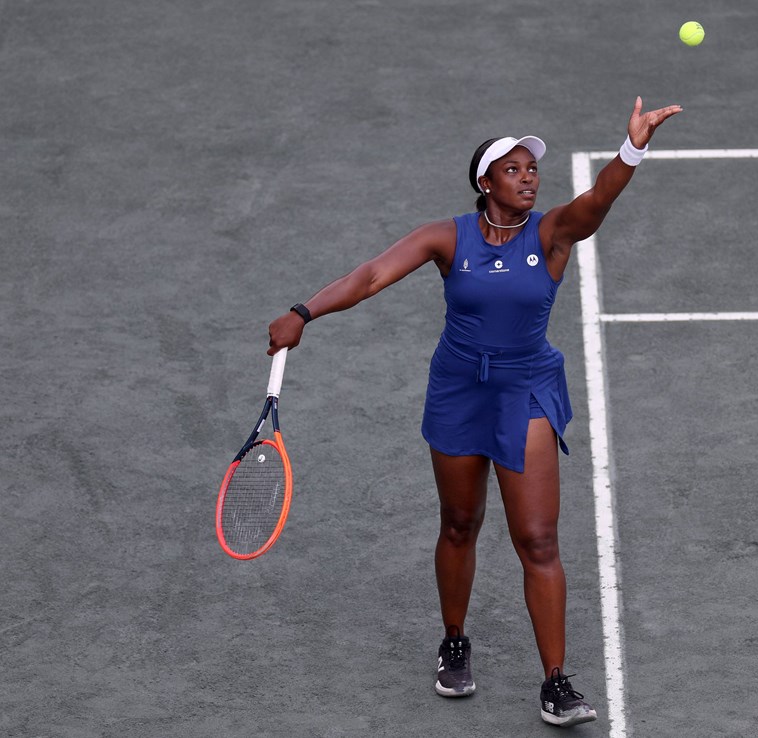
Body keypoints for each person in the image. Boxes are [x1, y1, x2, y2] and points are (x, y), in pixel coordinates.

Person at [267, 96, 681, 727]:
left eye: (531, 169)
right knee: (459, 523)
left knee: (537, 539)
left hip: (525, 394)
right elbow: (373, 274)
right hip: (460, 391)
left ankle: (555, 681)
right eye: (513, 170)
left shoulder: (552, 233)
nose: (528, 177)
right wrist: (303, 313)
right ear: (485, 184)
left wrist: (634, 147)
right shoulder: (446, 236)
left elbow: (596, 203)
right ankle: (454, 642)